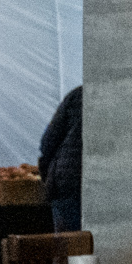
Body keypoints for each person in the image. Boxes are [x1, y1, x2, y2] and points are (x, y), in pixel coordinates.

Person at [37, 85, 85, 232]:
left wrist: (47, 174)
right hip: (95, 183)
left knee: (67, 246)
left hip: (66, 184)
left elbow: (48, 142)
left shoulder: (76, 95)